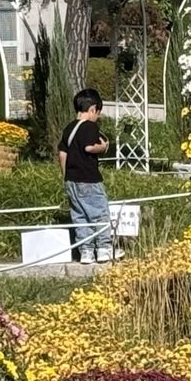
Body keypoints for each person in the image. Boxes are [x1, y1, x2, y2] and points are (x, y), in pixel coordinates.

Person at [58, 88, 114, 264]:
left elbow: (62, 153)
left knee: (80, 215)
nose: (97, 117)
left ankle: (86, 251)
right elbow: (89, 147)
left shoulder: (69, 128)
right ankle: (104, 248)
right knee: (99, 213)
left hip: (71, 180)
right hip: (89, 179)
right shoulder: (90, 126)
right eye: (97, 113)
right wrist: (103, 147)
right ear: (92, 109)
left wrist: (65, 174)